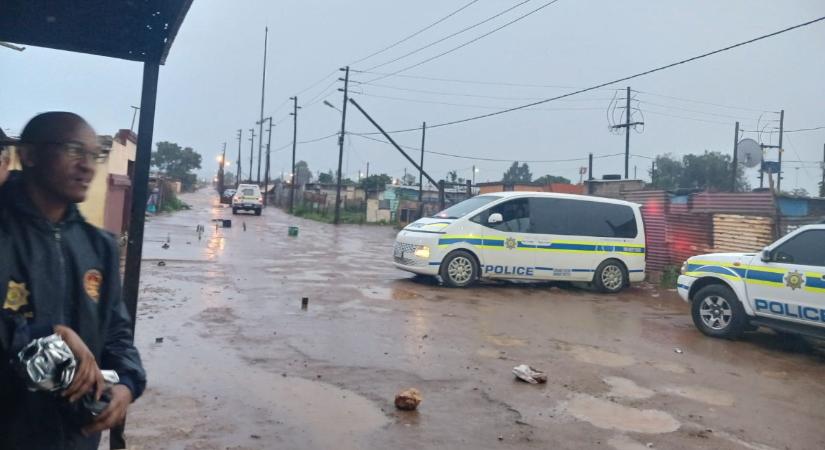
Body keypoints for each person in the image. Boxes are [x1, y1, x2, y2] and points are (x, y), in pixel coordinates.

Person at [0, 112, 146, 450]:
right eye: (73, 150)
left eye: (94, 155)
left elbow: (116, 332)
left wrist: (126, 384)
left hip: (76, 439)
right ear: (30, 154)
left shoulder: (100, 246)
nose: (88, 166)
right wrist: (48, 334)